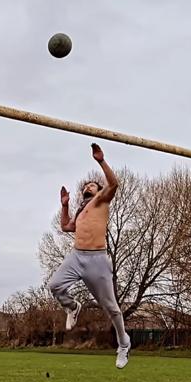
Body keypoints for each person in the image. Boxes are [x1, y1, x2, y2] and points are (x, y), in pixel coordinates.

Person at [49, 143, 131, 369]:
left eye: (92, 185)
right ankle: (72, 306)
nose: (88, 186)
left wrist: (101, 161)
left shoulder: (102, 201)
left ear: (98, 190)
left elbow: (114, 183)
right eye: (86, 185)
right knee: (55, 285)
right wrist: (64, 206)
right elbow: (66, 227)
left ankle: (124, 343)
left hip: (97, 260)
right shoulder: (81, 210)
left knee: (111, 307)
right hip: (77, 257)